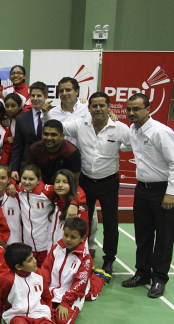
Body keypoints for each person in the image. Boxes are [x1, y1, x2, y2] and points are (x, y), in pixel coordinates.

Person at [51, 91, 131, 275]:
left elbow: (132, 143)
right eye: (94, 106)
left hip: (109, 181)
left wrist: (120, 146)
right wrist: (46, 113)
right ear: (89, 108)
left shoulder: (120, 128)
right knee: (82, 221)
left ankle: (109, 260)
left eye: (102, 105)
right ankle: (81, 255)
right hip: (86, 181)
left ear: (109, 107)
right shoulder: (80, 124)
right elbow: (57, 127)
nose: (98, 109)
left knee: (110, 224)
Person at [121, 93, 174, 298]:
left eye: (136, 109)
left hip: (163, 190)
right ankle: (142, 273)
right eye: (129, 109)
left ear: (148, 110)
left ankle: (160, 279)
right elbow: (125, 145)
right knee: (143, 234)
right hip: (142, 189)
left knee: (163, 236)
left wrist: (170, 193)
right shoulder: (133, 130)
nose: (131, 113)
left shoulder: (161, 132)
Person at [41, 217, 107, 324]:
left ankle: (98, 277)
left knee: (62, 322)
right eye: (66, 235)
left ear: (82, 238)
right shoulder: (56, 248)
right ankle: (90, 277)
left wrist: (65, 303)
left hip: (72, 294)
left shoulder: (86, 259)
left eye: (73, 237)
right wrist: (44, 293)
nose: (68, 239)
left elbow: (79, 285)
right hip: (53, 291)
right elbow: (45, 271)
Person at [9, 82, 50, 180]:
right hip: (27, 164)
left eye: (39, 96)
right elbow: (18, 146)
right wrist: (14, 169)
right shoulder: (21, 118)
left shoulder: (53, 114)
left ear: (46, 97)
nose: (35, 98)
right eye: (33, 95)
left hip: (48, 164)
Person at [27, 119, 81, 185]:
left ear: (62, 136)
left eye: (53, 135)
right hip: (40, 186)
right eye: (46, 134)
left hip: (63, 187)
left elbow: (74, 182)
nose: (49, 138)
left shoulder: (71, 152)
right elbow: (29, 174)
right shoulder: (35, 149)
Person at [46, 77, 89, 146]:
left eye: (68, 90)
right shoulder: (52, 113)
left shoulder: (87, 108)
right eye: (61, 91)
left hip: (84, 151)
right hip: (61, 152)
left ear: (77, 91)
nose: (64, 93)